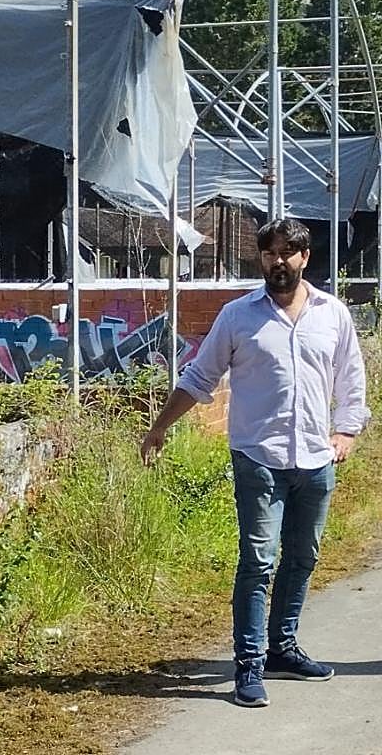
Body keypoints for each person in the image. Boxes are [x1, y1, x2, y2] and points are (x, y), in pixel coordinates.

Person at [140, 217, 369, 708]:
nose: (277, 261)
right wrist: (160, 426)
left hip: (315, 458)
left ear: (305, 257)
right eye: (269, 253)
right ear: (260, 259)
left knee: (303, 558)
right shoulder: (239, 316)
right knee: (259, 562)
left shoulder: (333, 314)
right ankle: (249, 665)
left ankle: (283, 648)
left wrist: (345, 431)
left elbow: (352, 379)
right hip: (258, 458)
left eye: (287, 252)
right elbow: (200, 376)